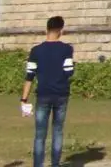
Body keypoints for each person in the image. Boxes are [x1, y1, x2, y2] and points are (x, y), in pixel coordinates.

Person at [22, 15, 74, 167]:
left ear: (47, 29)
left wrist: (24, 99)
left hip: (43, 94)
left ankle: (38, 164)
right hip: (61, 94)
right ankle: (55, 164)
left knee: (40, 134)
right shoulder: (67, 49)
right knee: (57, 131)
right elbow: (69, 71)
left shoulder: (36, 50)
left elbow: (29, 76)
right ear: (61, 30)